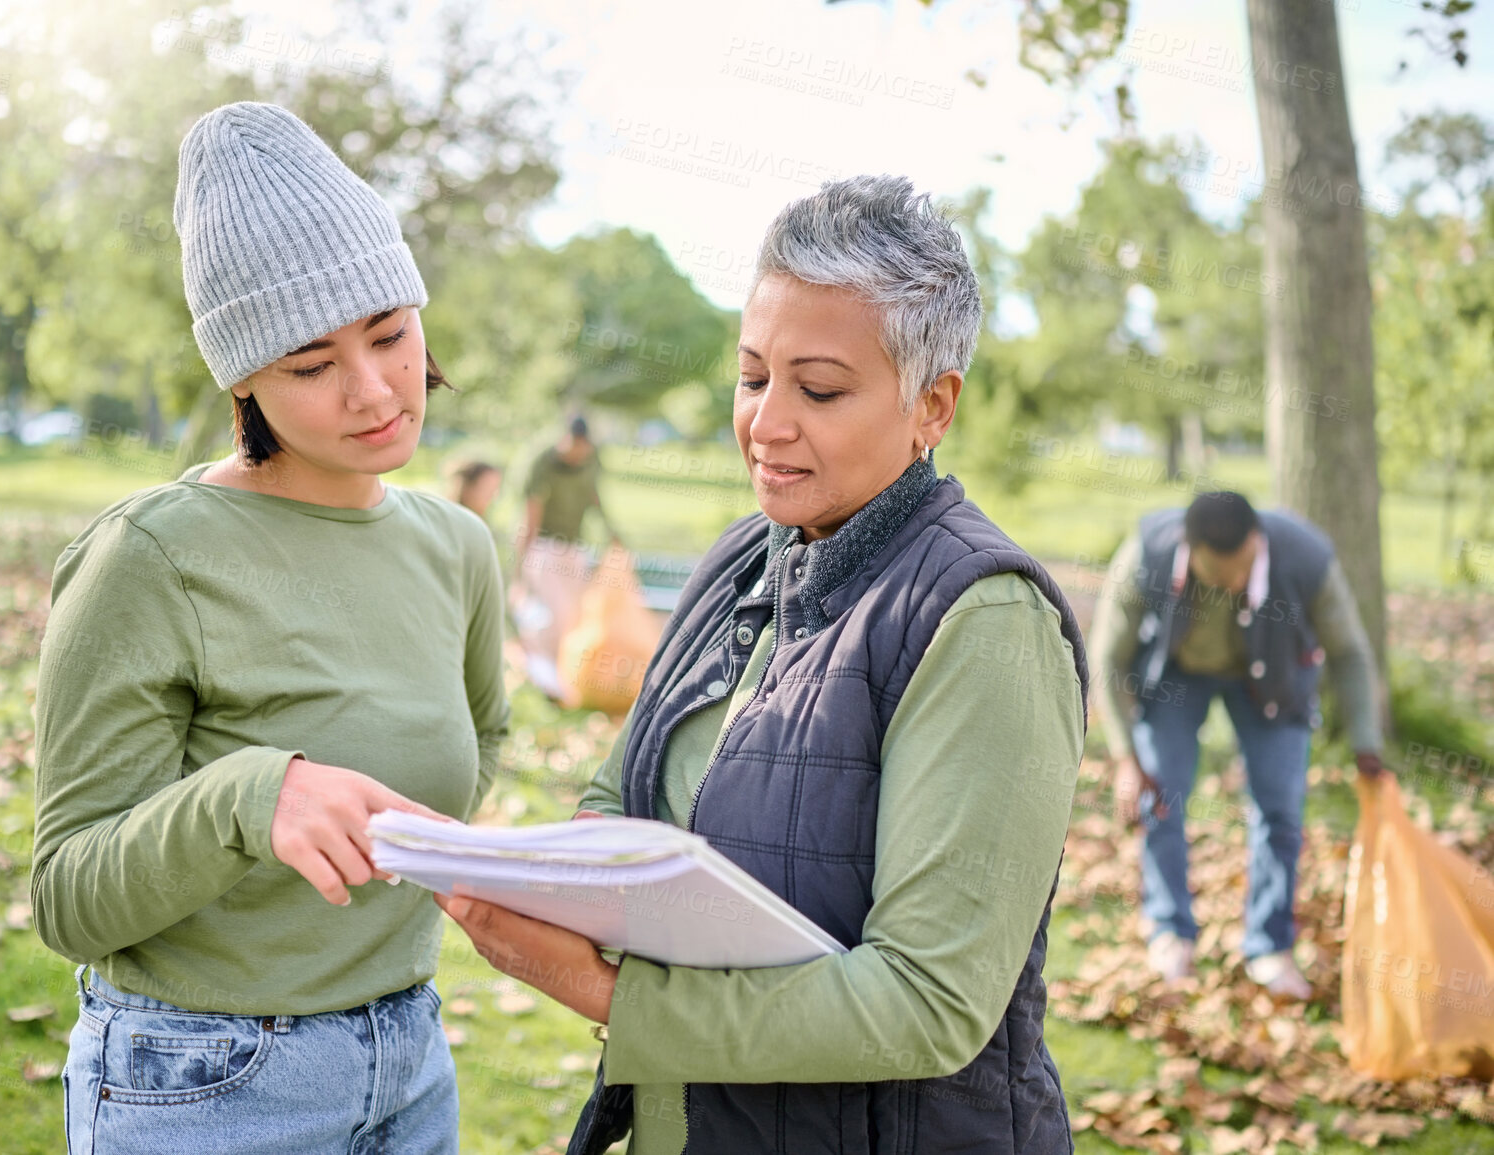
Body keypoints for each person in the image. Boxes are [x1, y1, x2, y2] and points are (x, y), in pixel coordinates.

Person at [439, 176, 1089, 1154]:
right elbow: (626, 785)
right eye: (753, 378)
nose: (765, 423)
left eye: (818, 389)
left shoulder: (982, 619)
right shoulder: (743, 555)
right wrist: (562, 870)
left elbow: (927, 1003)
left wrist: (603, 990)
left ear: (932, 406)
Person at [30, 101, 509, 1155]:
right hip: (203, 1080)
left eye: (389, 334)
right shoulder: (149, 558)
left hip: (411, 1060)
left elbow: (481, 742)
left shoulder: (459, 546)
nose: (375, 389)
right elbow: (67, 896)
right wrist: (254, 795)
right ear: (240, 373)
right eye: (310, 364)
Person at [1088, 490, 1386, 998]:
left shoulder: (1308, 558)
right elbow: (1107, 656)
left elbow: (1351, 653)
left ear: (1257, 540)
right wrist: (1124, 757)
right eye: (1218, 577)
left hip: (1272, 684)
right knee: (1161, 793)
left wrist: (1366, 741)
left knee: (1281, 809)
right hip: (1176, 677)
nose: (1233, 584)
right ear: (1189, 547)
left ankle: (1269, 946)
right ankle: (1170, 931)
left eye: (1242, 571)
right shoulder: (1145, 554)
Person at [513, 415, 620, 698]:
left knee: (574, 615)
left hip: (574, 547)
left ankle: (568, 676)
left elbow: (594, 494)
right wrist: (522, 563)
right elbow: (531, 512)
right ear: (566, 440)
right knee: (553, 616)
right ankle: (547, 682)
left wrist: (612, 533)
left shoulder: (592, 458)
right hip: (545, 547)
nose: (579, 455)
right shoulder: (543, 461)